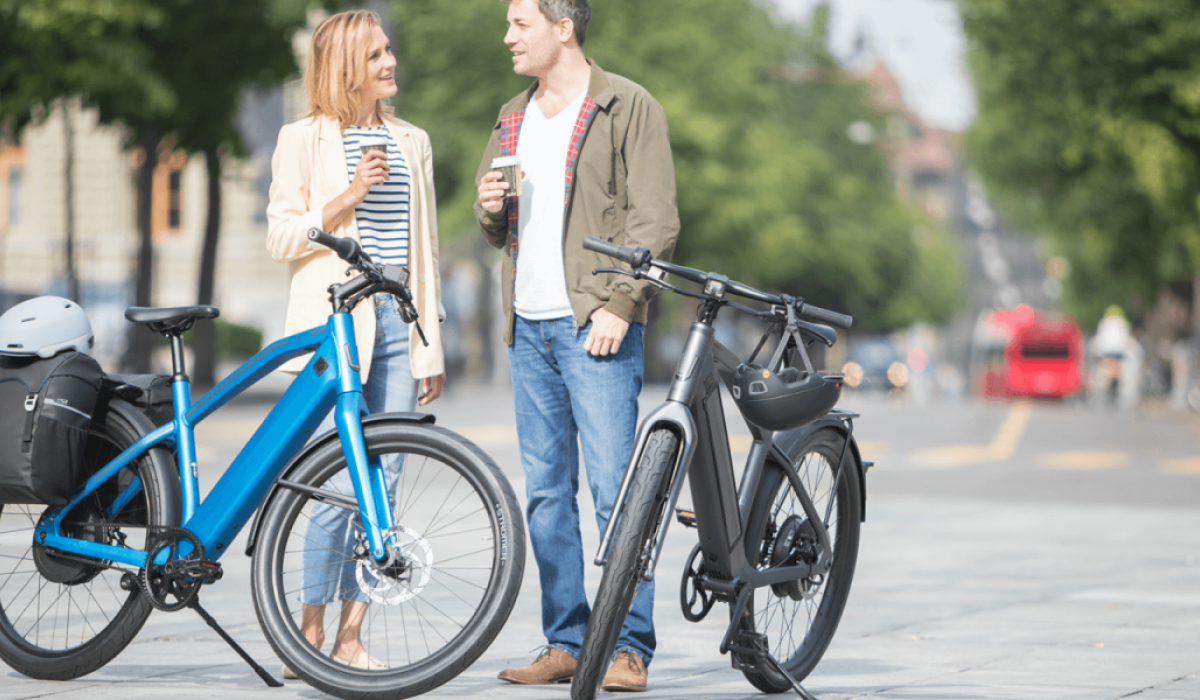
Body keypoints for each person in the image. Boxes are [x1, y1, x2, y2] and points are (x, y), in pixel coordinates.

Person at [474, 0, 679, 691]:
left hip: (594, 324)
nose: (507, 36)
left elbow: (656, 220)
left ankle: (629, 646)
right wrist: (489, 206)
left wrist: (621, 305)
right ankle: (565, 640)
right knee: (546, 496)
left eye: (519, 23)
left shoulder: (628, 106)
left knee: (616, 493)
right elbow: (499, 228)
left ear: (563, 28)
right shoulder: (511, 115)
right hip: (527, 329)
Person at [265, 9, 446, 676]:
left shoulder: (413, 141)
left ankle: (350, 635)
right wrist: (347, 196)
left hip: (398, 328)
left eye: (388, 50)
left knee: (386, 483)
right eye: (375, 55)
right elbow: (282, 238)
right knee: (336, 482)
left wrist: (432, 346)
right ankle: (307, 632)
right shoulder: (301, 138)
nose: (389, 62)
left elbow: (424, 253)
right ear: (346, 68)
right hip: (336, 330)